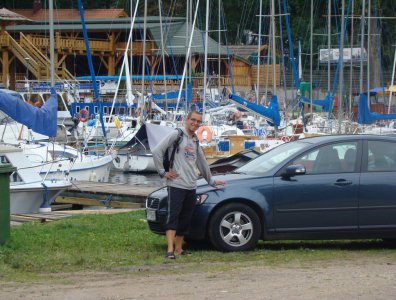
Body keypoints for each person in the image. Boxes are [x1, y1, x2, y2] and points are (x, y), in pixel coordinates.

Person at [152, 111, 226, 259]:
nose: (195, 123)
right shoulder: (177, 135)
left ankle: (179, 249)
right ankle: (170, 250)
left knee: (185, 219)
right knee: (173, 216)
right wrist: (163, 172)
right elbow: (157, 151)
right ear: (187, 120)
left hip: (191, 186)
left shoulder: (195, 140)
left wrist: (211, 181)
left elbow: (202, 162)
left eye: (198, 121)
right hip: (176, 184)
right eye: (193, 120)